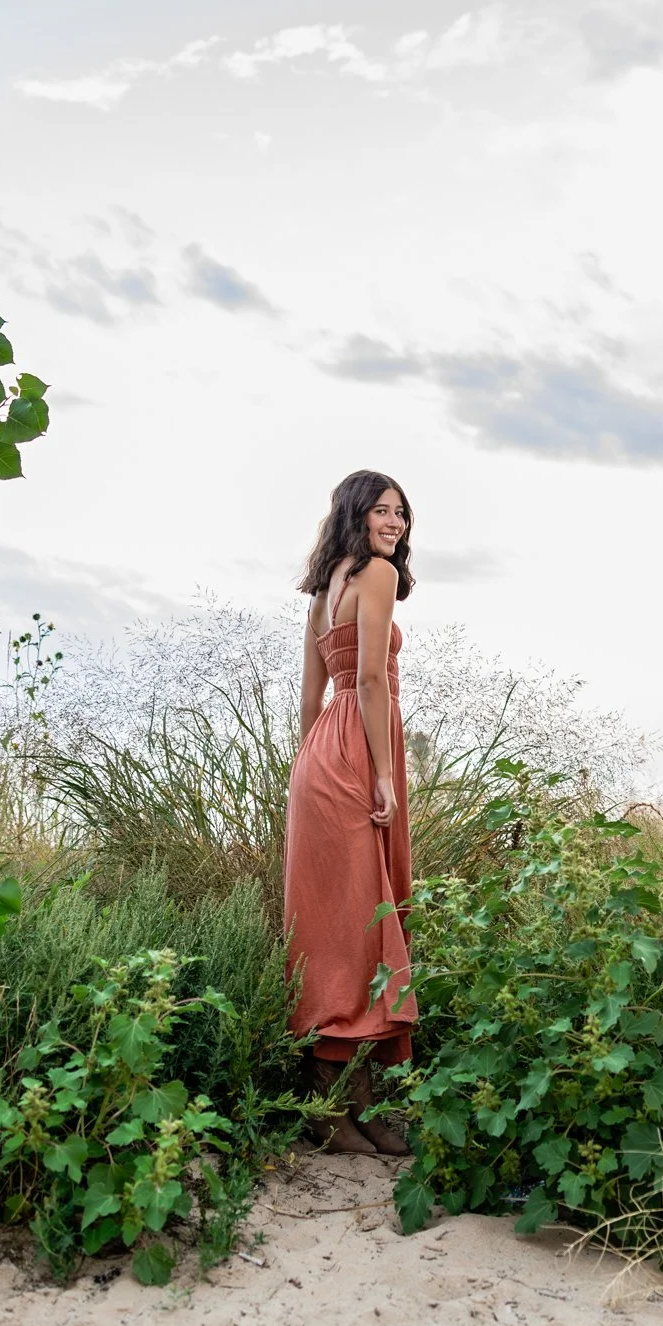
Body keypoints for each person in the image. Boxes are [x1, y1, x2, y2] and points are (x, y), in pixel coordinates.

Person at [283, 470, 417, 1155]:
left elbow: (310, 703)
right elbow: (367, 678)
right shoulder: (379, 576)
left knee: (335, 926)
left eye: (400, 512)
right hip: (359, 751)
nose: (393, 523)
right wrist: (385, 775)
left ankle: (351, 1107)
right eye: (381, 511)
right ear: (356, 514)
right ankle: (339, 1110)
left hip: (318, 758)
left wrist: (305, 776)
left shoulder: (323, 587)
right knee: (360, 926)